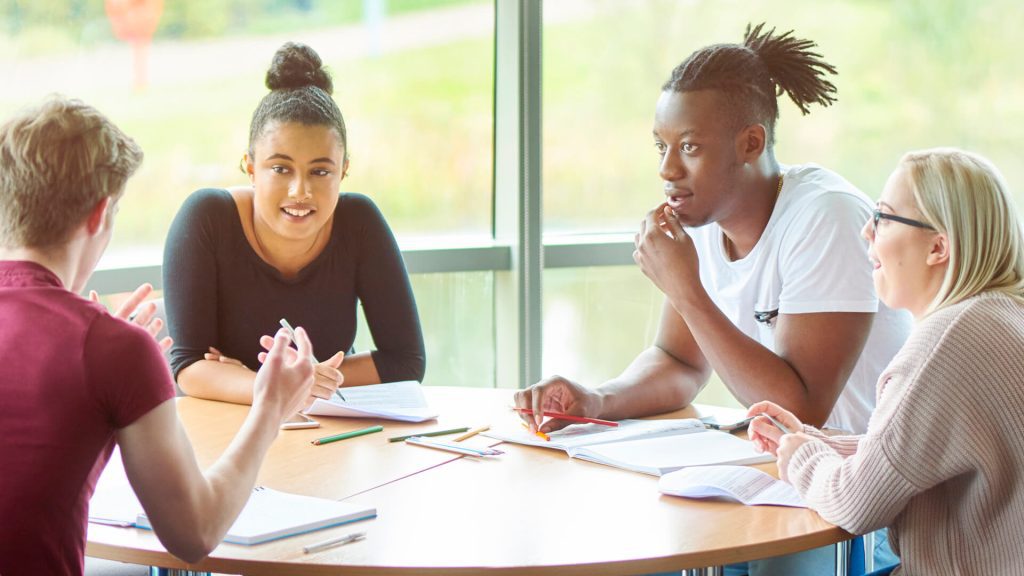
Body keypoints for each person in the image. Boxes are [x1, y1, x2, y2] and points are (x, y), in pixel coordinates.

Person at [516, 23, 909, 574]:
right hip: (776, 474)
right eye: (661, 146)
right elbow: (678, 362)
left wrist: (686, 289)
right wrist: (598, 401)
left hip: (857, 501)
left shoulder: (825, 216)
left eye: (690, 147)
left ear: (750, 143)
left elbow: (801, 411)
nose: (667, 169)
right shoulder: (703, 218)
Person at [0, 96, 317, 575]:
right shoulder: (113, 351)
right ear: (99, 214)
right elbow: (195, 532)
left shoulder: (107, 349)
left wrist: (103, 359)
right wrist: (271, 407)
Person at [748, 148, 1024, 576]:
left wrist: (800, 458)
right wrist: (812, 440)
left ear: (938, 247)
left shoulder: (948, 339)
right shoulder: (1000, 315)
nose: (866, 232)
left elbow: (856, 503)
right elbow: (916, 450)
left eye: (884, 217)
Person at [163, 41, 425, 405]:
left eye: (320, 171)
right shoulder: (207, 219)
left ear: (344, 170)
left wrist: (298, 382)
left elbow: (406, 362)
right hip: (225, 433)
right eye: (280, 168)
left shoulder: (360, 223)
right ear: (251, 167)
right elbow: (189, 366)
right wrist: (280, 386)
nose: (300, 191)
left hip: (326, 431)